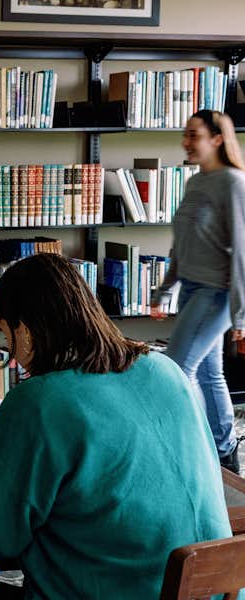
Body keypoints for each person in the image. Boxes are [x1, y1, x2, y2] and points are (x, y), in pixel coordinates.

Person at [0, 252, 233, 600]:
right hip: (212, 590)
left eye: (8, 341)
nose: (15, 358)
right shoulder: (166, 369)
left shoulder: (39, 401)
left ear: (24, 331)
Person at [152, 109, 245, 474]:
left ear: (217, 139)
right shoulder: (194, 184)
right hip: (191, 288)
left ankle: (190, 448)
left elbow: (241, 252)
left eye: (194, 135)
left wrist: (240, 315)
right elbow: (182, 245)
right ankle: (224, 452)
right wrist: (165, 290)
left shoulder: (233, 184)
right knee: (209, 375)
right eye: (185, 134)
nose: (186, 142)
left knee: (177, 368)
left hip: (216, 293)